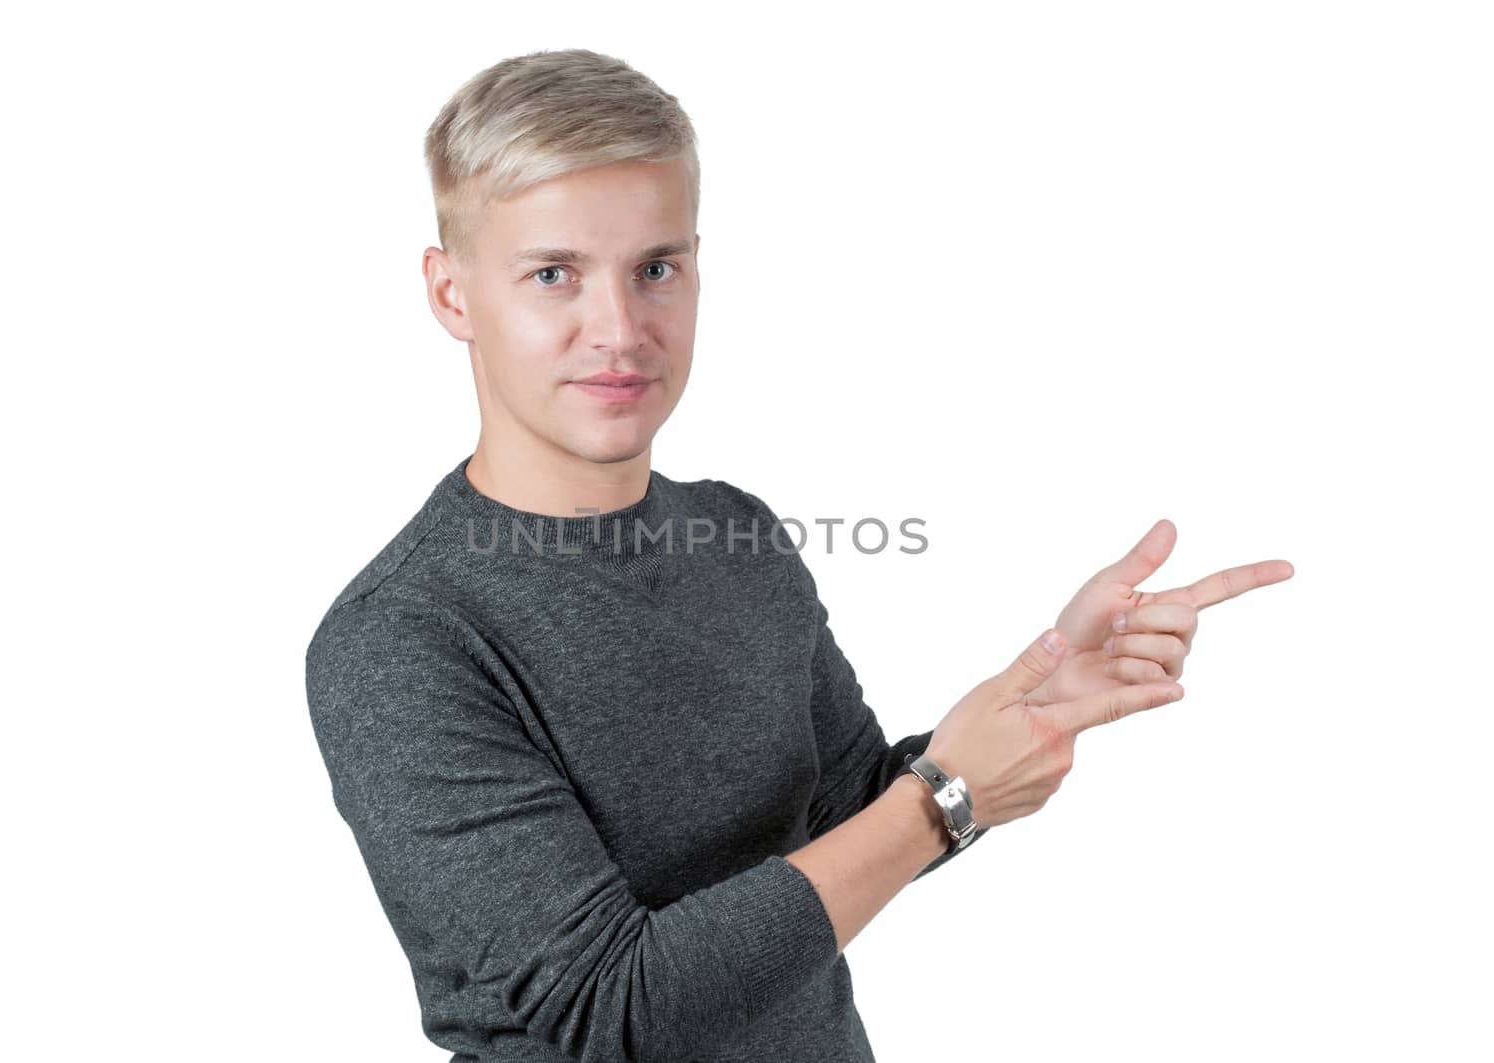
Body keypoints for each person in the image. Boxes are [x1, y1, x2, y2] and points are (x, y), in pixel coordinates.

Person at [303, 47, 1295, 1062]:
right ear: (452, 293)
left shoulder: (738, 535)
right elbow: (611, 1010)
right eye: (553, 274)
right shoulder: (401, 640)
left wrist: (1032, 703)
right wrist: (942, 799)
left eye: (656, 269)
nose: (619, 329)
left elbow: (850, 821)